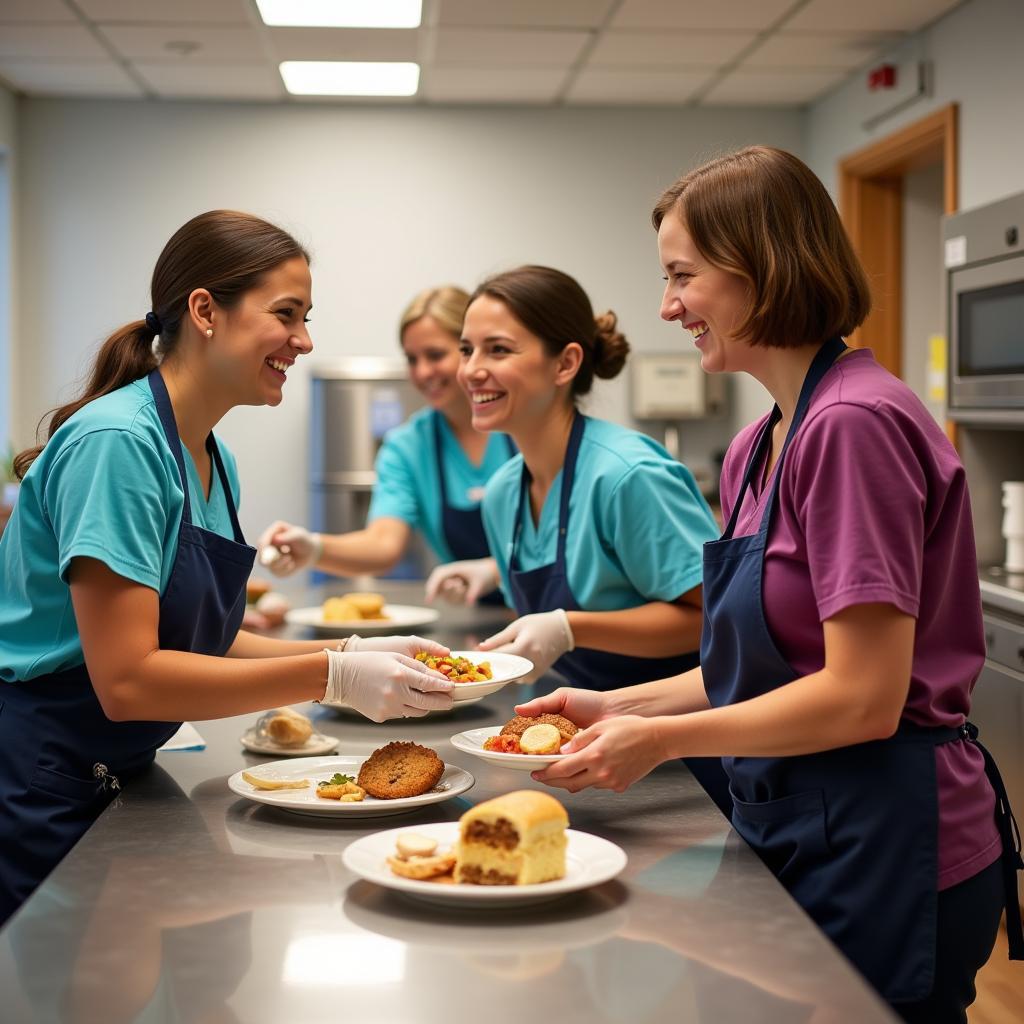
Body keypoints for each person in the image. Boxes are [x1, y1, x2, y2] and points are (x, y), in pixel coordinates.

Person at [519, 147, 1023, 1022]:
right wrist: (626, 709)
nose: (668, 306)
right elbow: (764, 667)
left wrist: (664, 744)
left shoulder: (855, 427)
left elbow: (863, 699)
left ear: (763, 266)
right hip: (798, 820)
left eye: (683, 276)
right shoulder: (763, 445)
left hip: (888, 841)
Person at [0, 211, 453, 925]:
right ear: (205, 310)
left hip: (123, 770)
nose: (303, 341)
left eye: (306, 318)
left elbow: (203, 638)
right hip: (49, 785)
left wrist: (350, 650)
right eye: (286, 315)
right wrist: (330, 676)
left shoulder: (210, 455)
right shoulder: (118, 444)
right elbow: (127, 680)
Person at [426, 265, 729, 812]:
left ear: (565, 362)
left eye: (498, 350)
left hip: (682, 760)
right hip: (588, 753)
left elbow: (718, 619)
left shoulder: (628, 477)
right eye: (467, 349)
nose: (471, 370)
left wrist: (570, 629)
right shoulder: (503, 494)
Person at [256, 286, 515, 600]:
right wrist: (314, 548)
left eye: (435, 355)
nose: (421, 372)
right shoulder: (408, 447)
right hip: (482, 619)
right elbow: (383, 544)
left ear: (468, 351)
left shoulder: (521, 427)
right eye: (411, 359)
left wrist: (493, 570)